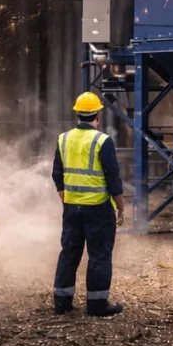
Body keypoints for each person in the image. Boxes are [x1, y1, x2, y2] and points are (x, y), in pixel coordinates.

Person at [51, 91, 126, 317]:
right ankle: (97, 305)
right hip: (98, 208)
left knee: (69, 253)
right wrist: (120, 207)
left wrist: (67, 199)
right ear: (97, 115)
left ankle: (62, 303)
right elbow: (113, 177)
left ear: (77, 114)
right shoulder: (102, 141)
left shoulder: (63, 139)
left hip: (72, 209)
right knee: (99, 256)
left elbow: (57, 174)